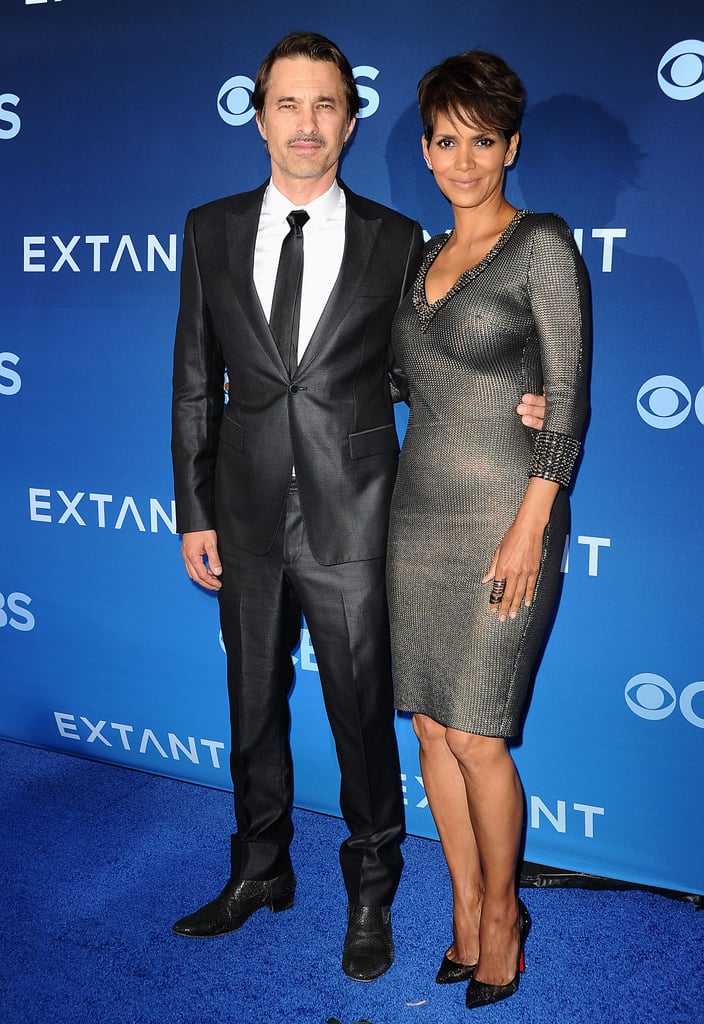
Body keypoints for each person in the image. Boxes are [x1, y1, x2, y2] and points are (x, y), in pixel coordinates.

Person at [171, 31, 546, 982]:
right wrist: (193, 505)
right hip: (244, 512)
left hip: (360, 516)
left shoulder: (398, 241)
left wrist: (518, 402)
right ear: (259, 119)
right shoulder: (208, 227)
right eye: (288, 105)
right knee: (251, 708)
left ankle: (371, 891)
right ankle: (258, 872)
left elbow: (432, 366)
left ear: (350, 118)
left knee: (361, 718)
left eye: (326, 105)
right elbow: (191, 379)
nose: (307, 124)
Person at [386, 50, 590, 1009]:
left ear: (510, 146)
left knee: (476, 734)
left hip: (507, 514)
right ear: (425, 148)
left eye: (479, 141)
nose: (459, 160)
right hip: (416, 514)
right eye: (442, 140)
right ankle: (463, 909)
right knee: (429, 724)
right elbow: (402, 382)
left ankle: (505, 913)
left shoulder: (541, 243)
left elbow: (570, 403)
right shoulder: (423, 259)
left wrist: (528, 527)